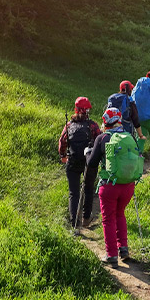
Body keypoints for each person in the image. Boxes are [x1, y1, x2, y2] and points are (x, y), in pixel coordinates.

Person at [85, 107, 146, 266]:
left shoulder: (103, 137)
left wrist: (88, 152)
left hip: (109, 185)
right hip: (128, 185)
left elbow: (91, 164)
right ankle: (123, 249)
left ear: (105, 121)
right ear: (119, 120)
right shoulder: (130, 136)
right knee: (120, 214)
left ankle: (111, 255)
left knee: (108, 219)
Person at [58, 96, 101, 228]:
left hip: (72, 161)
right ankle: (86, 219)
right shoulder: (92, 125)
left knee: (74, 193)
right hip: (88, 162)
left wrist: (63, 156)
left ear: (76, 109)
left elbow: (62, 142)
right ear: (87, 111)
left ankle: (74, 223)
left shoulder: (69, 125)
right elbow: (99, 140)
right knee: (88, 189)